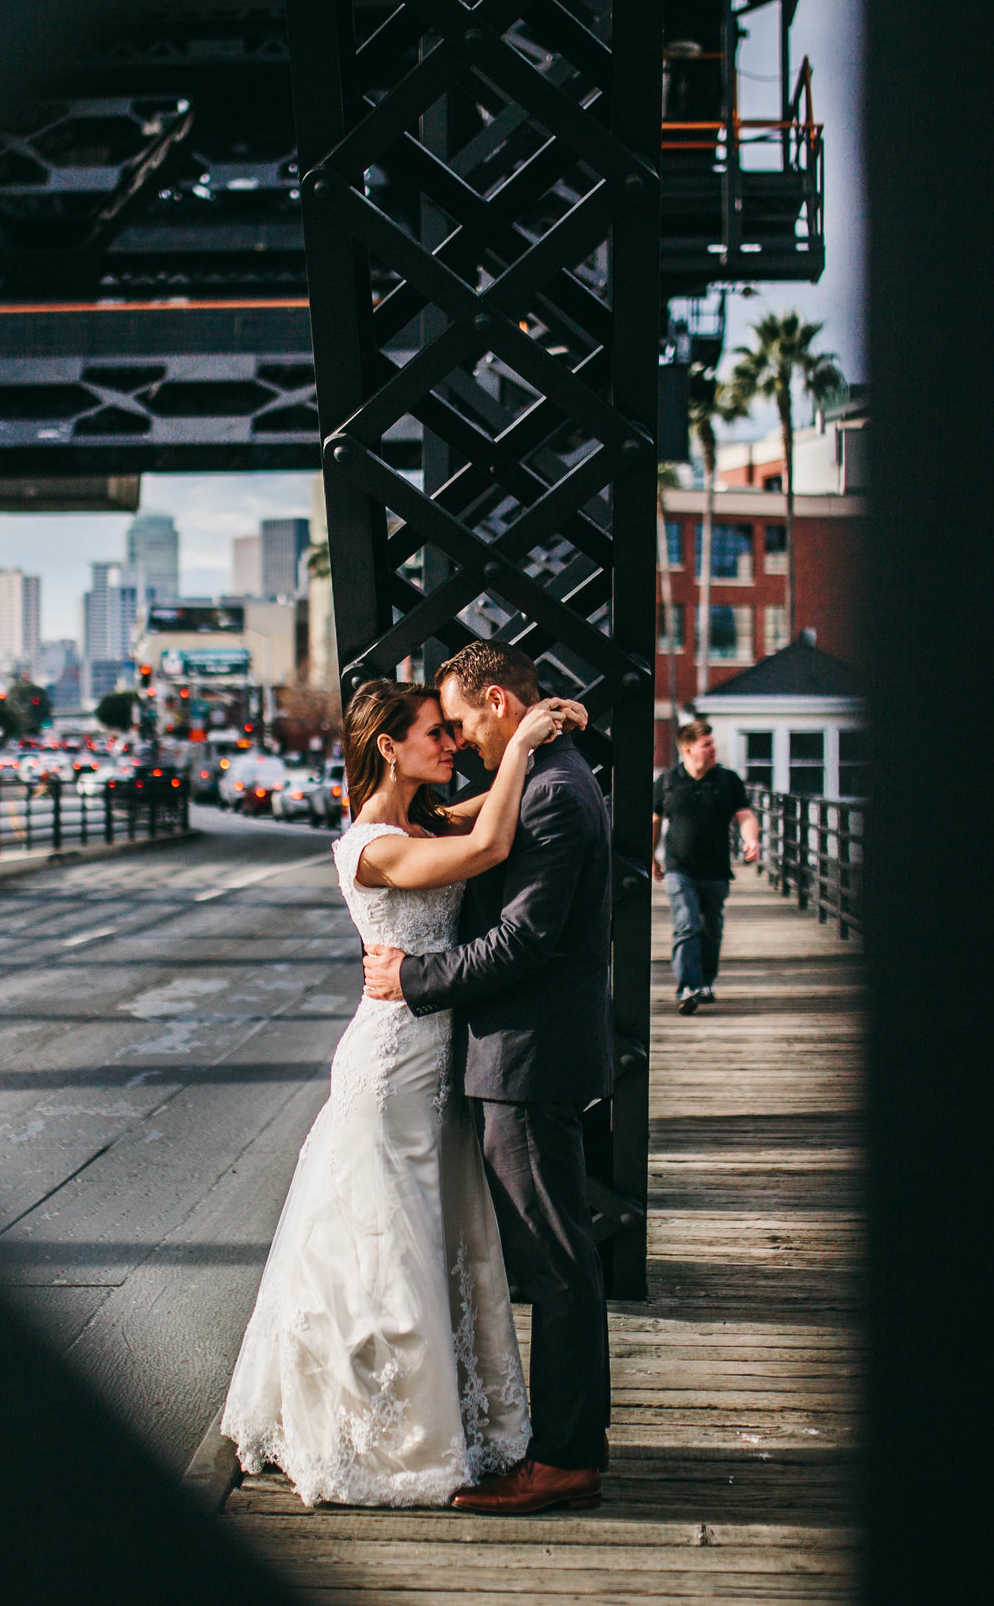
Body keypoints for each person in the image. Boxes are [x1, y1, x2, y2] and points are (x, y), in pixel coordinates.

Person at [219, 677, 588, 1507]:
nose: (452, 743)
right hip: (389, 1065)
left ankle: (452, 1422)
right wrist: (525, 740)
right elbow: (492, 846)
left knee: (436, 1243)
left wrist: (552, 723)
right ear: (389, 745)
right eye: (435, 732)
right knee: (383, 1252)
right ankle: (386, 1437)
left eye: (454, 731)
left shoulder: (423, 819)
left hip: (439, 1065)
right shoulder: (370, 847)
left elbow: (495, 806)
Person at [360, 641, 616, 1517]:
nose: (462, 741)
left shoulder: (549, 795)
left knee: (556, 1261)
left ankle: (567, 1458)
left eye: (466, 723)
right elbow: (467, 827)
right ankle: (561, 1444)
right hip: (525, 1050)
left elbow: (522, 941)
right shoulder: (549, 774)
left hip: (527, 1055)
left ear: (500, 703)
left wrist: (414, 980)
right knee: (554, 1253)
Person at [651, 720, 761, 1014]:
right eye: (707, 745)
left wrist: (752, 841)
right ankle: (688, 987)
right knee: (687, 924)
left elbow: (745, 815)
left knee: (711, 930)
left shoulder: (728, 780)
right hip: (679, 868)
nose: (714, 750)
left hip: (716, 871)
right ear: (687, 749)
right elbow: (654, 821)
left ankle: (705, 981)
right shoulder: (668, 781)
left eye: (713, 744)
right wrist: (650, 856)